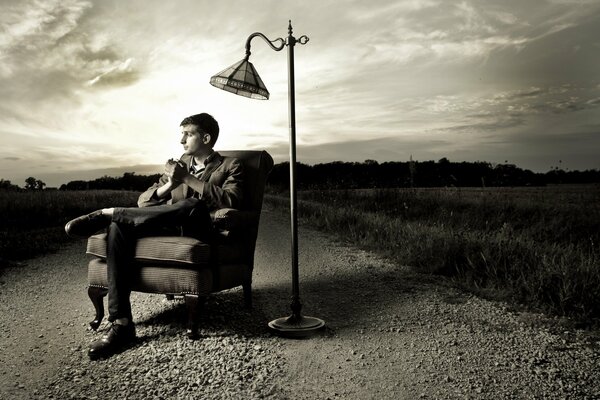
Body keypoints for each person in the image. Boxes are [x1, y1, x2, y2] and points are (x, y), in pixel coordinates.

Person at [65, 113, 244, 360]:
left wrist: (188, 180)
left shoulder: (231, 165)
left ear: (206, 137)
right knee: (119, 226)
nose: (182, 140)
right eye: (181, 134)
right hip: (170, 223)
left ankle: (109, 213)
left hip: (201, 226)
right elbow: (144, 200)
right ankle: (122, 324)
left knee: (193, 204)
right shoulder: (180, 164)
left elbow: (231, 200)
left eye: (188, 134)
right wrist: (171, 183)